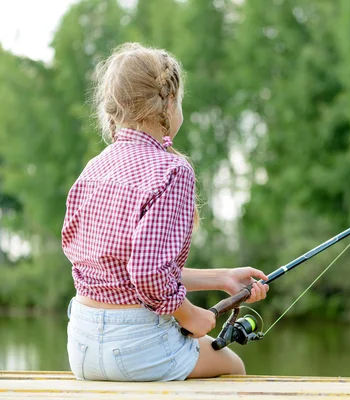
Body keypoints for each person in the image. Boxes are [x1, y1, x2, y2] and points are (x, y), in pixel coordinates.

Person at [61, 42, 269, 382]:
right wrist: (190, 316)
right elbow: (146, 273)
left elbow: (127, 271)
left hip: (81, 348)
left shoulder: (94, 167)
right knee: (233, 368)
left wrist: (221, 278)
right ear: (169, 101)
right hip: (136, 347)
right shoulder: (171, 170)